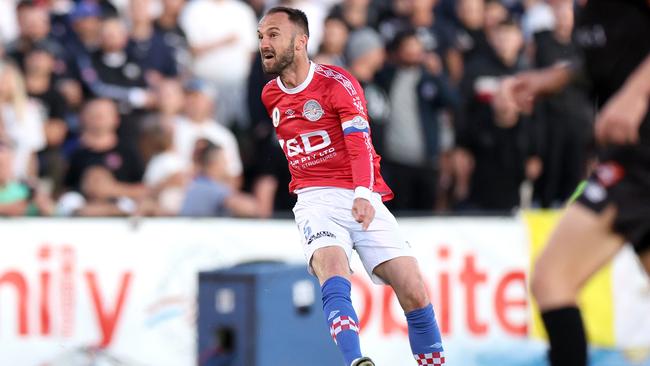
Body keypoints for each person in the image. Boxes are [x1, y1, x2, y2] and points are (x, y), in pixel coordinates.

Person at [258, 7, 445, 366]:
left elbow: (360, 142)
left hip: (362, 192)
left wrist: (361, 192)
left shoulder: (337, 83)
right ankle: (356, 361)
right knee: (333, 269)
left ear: (301, 42)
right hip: (313, 198)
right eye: (261, 36)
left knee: (415, 290)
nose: (264, 43)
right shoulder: (269, 95)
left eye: (273, 34)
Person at [505, 1, 650, 365]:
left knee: (553, 280)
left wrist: (637, 94)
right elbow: (610, 57)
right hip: (631, 161)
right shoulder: (587, 11)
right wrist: (554, 79)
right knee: (552, 282)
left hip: (639, 162)